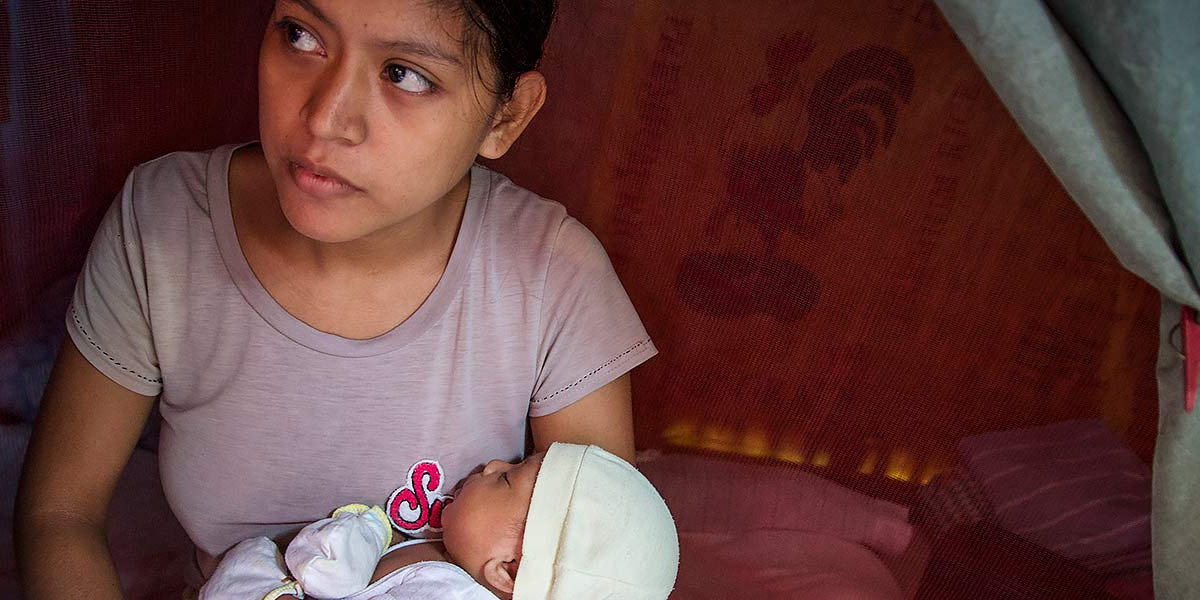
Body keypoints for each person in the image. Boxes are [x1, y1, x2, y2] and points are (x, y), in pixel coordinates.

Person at [14, 1, 658, 598]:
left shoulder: (553, 277)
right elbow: (59, 514)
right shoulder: (163, 224)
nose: (324, 118)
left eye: (404, 74)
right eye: (301, 35)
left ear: (507, 115)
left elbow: (586, 581)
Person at [199, 443, 680, 599]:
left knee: (253, 563)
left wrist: (347, 543)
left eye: (507, 480)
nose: (492, 465)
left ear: (508, 570)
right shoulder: (444, 556)